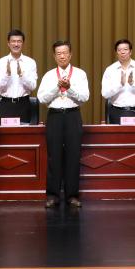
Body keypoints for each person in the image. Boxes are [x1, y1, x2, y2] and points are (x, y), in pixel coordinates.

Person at [37, 40, 90, 208]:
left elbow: (84, 97)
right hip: (55, 116)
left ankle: (72, 195)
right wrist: (57, 87)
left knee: (73, 156)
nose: (62, 56)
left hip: (73, 115)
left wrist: (69, 88)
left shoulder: (80, 74)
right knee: (54, 156)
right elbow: (41, 98)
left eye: (65, 53)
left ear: (70, 54)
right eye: (58, 53)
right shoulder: (49, 75)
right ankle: (52, 195)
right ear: (54, 56)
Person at [101, 39, 135, 124]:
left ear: (130, 52)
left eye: (125, 49)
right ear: (116, 53)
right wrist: (120, 84)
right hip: (117, 112)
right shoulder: (110, 70)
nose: (122, 52)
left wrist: (133, 84)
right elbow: (105, 94)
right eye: (119, 50)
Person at [0, 30, 39, 125]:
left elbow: (33, 87)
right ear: (8, 43)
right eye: (13, 41)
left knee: (24, 134)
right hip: (6, 105)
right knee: (6, 134)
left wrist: (22, 76)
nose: (16, 44)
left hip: (24, 104)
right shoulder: (0, 62)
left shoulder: (30, 62)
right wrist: (7, 75)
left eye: (19, 41)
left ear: (23, 43)